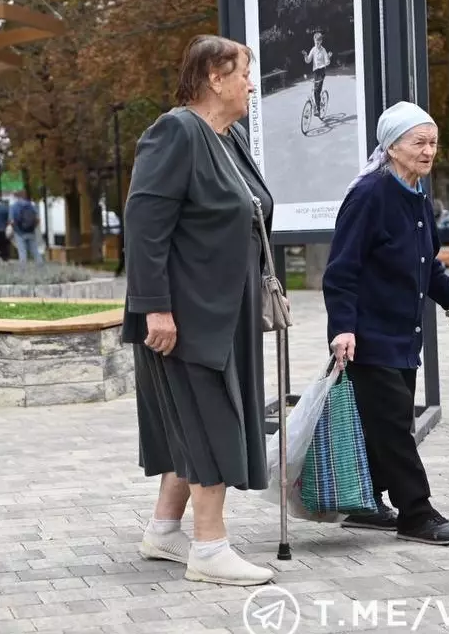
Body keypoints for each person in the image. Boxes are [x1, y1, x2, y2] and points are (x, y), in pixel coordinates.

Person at [122, 34, 278, 587]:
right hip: (185, 315)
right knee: (213, 421)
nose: (250, 85)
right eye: (243, 74)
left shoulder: (227, 137)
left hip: (225, 309)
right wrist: (154, 310)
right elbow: (144, 227)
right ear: (214, 76)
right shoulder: (176, 132)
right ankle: (209, 549)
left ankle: (165, 531)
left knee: (195, 419)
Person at [321, 101, 449, 546]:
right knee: (395, 428)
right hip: (369, 336)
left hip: (403, 335)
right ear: (392, 146)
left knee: (387, 424)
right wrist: (342, 328)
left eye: (433, 142)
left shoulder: (417, 197)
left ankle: (367, 503)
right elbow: (341, 270)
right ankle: (416, 512)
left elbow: (427, 266)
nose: (429, 151)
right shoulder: (370, 194)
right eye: (419, 142)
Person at [301, 31, 331, 116]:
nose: (316, 43)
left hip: (321, 71)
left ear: (321, 41)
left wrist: (328, 58)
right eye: (315, 42)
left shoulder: (323, 50)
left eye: (318, 42)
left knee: (317, 91)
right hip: (315, 72)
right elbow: (308, 61)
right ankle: (317, 106)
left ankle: (317, 110)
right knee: (315, 91)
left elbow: (327, 62)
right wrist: (306, 55)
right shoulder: (313, 49)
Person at [9, 190, 42, 265]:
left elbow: (11, 221)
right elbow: (37, 220)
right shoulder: (31, 205)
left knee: (22, 252)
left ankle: (23, 271)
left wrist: (15, 230)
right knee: (35, 251)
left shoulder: (13, 207)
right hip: (31, 232)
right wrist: (33, 228)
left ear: (16, 197)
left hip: (19, 233)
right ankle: (41, 269)